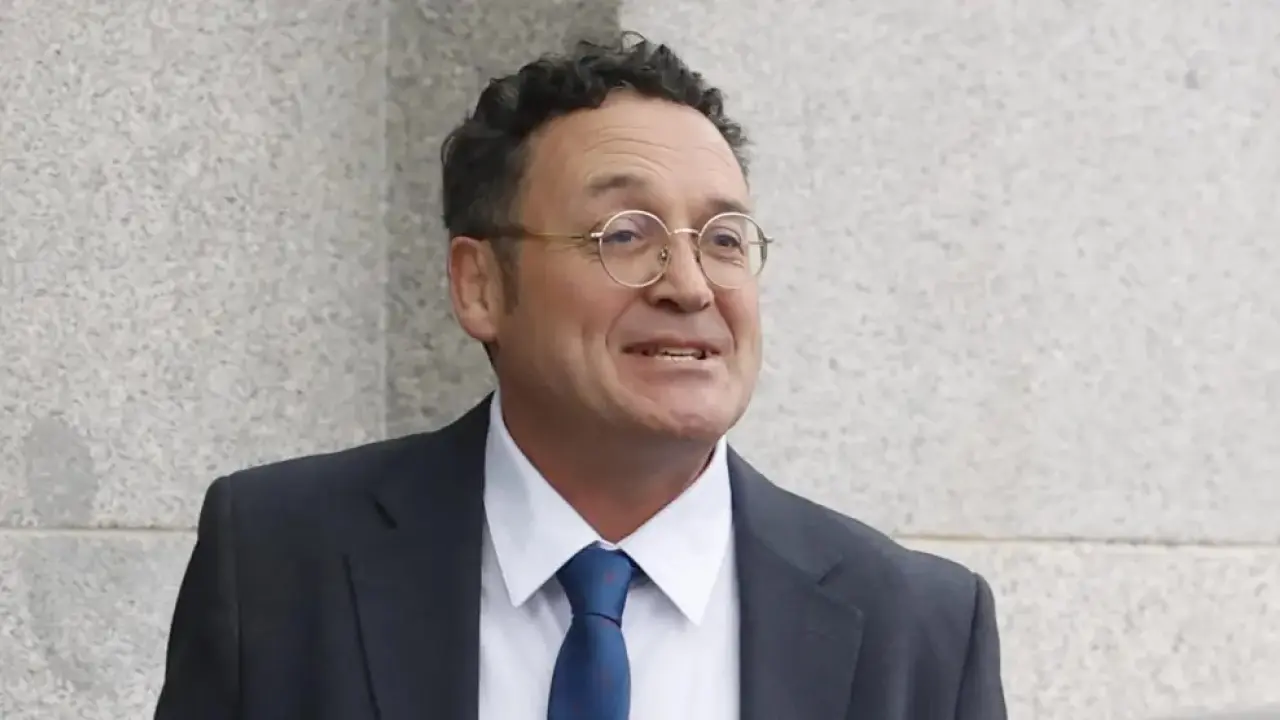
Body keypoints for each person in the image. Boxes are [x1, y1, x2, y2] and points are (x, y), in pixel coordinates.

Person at [154, 32, 1007, 720]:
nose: (689, 286)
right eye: (625, 235)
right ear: (480, 285)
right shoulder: (280, 561)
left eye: (723, 239)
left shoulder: (917, 629)